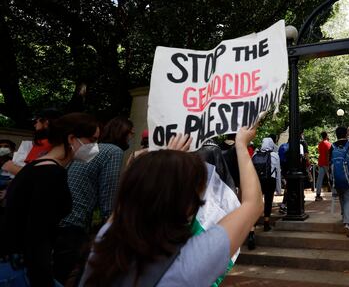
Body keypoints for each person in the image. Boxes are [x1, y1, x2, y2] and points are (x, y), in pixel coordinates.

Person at [79, 126, 262, 286]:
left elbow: (128, 201)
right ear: (187, 204)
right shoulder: (191, 263)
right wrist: (241, 144)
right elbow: (252, 204)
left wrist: (163, 162)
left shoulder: (107, 242)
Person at [1, 112, 100, 287]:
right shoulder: (52, 174)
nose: (94, 147)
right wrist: (43, 279)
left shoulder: (36, 166)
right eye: (92, 140)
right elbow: (38, 235)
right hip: (23, 270)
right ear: (71, 138)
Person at [53, 116, 133, 285]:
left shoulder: (90, 150)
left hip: (55, 220)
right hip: (73, 225)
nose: (131, 138)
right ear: (122, 134)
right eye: (130, 134)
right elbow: (108, 195)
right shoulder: (113, 152)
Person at [2, 108, 61, 176]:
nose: (34, 125)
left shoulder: (45, 143)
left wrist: (12, 168)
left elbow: (35, 174)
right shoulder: (62, 143)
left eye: (36, 121)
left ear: (46, 122)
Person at [330, 126, 349, 237]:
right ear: (347, 134)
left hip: (336, 176)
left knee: (342, 196)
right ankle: (347, 223)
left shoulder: (332, 146)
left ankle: (344, 217)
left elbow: (330, 163)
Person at [315, 131, 331, 201]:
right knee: (331, 178)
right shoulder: (328, 144)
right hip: (326, 163)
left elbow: (319, 152)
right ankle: (335, 193)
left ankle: (318, 195)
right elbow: (329, 154)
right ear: (326, 135)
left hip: (321, 162)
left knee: (319, 179)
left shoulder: (320, 144)